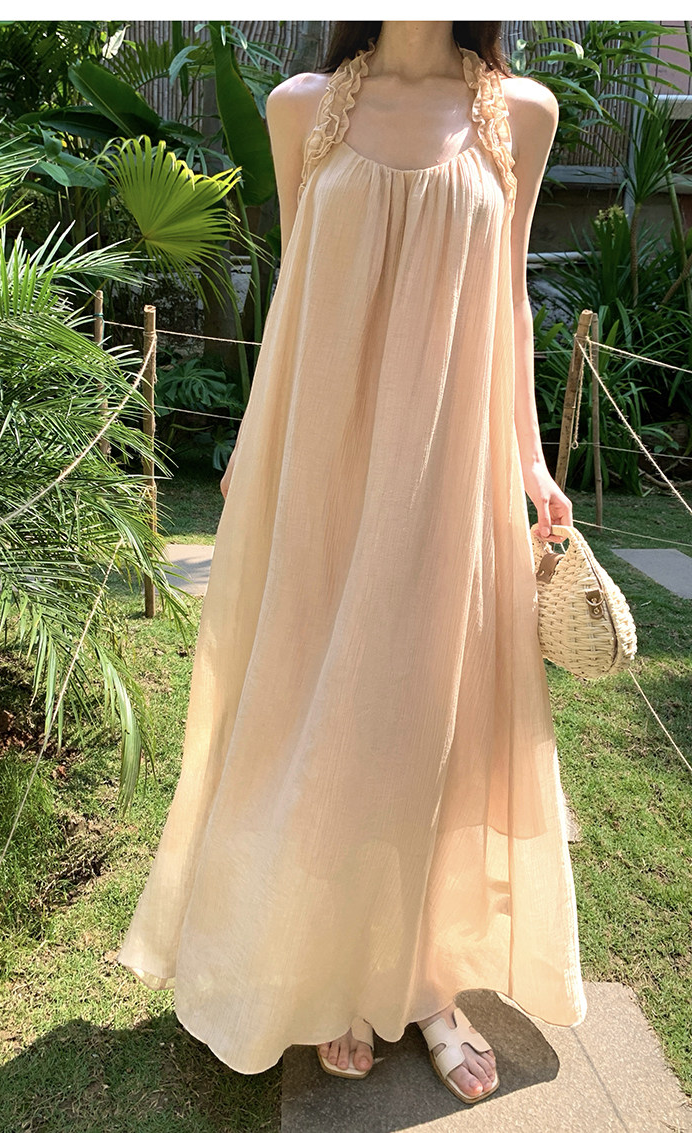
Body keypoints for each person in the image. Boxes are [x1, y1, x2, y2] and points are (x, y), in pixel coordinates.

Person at [117, 19, 588, 1106]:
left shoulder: (520, 114)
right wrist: (257, 436)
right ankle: (330, 967)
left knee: (431, 719)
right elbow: (294, 290)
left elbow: (510, 296)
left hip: (451, 468)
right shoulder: (302, 109)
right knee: (319, 712)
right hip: (324, 465)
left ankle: (425, 982)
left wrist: (527, 456)